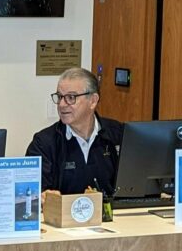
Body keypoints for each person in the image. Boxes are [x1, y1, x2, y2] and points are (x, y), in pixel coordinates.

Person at [26, 67, 123, 195]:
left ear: (93, 101)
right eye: (60, 97)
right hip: (63, 214)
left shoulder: (117, 134)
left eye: (71, 97)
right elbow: (33, 194)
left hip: (110, 213)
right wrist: (42, 197)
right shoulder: (43, 143)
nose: (61, 104)